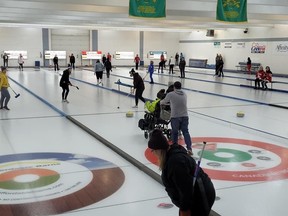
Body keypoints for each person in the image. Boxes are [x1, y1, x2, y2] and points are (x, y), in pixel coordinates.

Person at [148, 129, 216, 216]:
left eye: (152, 150)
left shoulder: (176, 163)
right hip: (193, 198)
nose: (152, 153)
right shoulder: (171, 158)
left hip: (201, 195)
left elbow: (186, 189)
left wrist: (185, 209)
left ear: (158, 150)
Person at [160, 81, 193, 155]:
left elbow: (164, 101)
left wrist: (161, 102)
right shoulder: (184, 94)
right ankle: (189, 148)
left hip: (175, 117)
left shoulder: (171, 94)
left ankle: (175, 148)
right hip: (185, 116)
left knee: (175, 133)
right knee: (186, 132)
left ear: (174, 87)